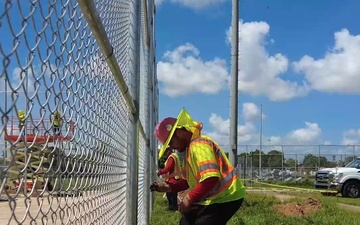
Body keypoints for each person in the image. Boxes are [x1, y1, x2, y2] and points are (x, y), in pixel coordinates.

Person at [150, 108, 246, 225]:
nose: (172, 148)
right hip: (212, 197)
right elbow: (188, 182)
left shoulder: (199, 146)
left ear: (179, 133)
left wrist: (189, 198)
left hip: (226, 197)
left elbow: (211, 178)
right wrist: (168, 187)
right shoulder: (189, 151)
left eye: (171, 142)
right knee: (186, 221)